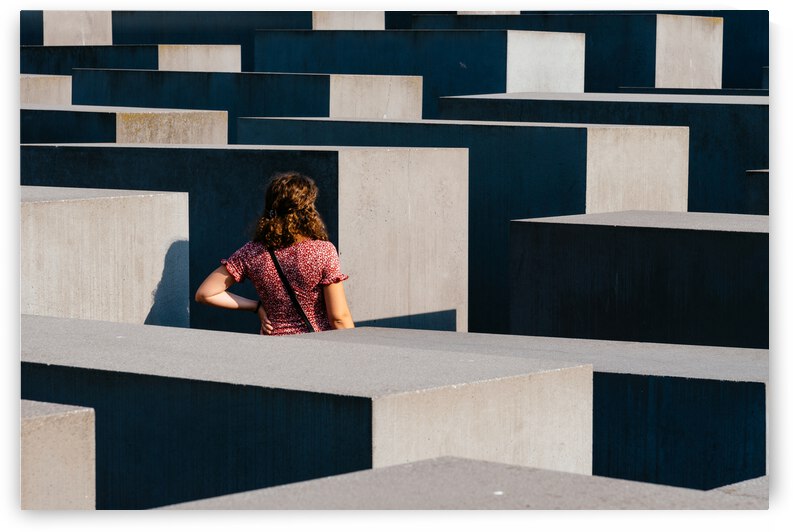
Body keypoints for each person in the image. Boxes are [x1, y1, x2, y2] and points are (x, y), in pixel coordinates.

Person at [195, 171, 354, 335]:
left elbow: (205, 294)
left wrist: (256, 306)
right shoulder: (323, 251)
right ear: (308, 210)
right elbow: (339, 317)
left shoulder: (252, 251)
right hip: (315, 346)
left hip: (273, 347)